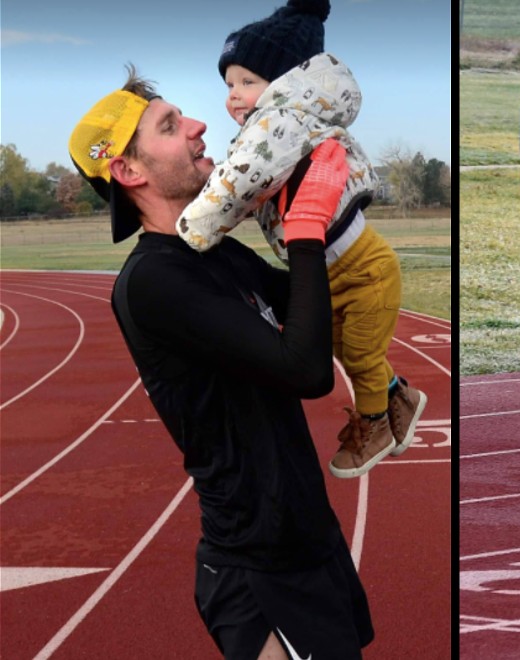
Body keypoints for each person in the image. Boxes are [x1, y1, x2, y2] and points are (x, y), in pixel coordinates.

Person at [72, 66, 374, 658]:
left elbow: (319, 303)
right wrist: (306, 228)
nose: (198, 125)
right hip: (255, 568)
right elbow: (306, 369)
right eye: (169, 125)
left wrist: (307, 180)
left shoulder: (216, 252)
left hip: (306, 538)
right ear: (129, 171)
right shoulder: (153, 280)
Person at [176, 0, 427, 479]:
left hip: (363, 266)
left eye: (248, 82)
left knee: (358, 353)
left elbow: (238, 185)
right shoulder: (272, 125)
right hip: (333, 269)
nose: (233, 95)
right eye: (228, 84)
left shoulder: (281, 124)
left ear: (286, 81)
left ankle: (375, 423)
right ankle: (398, 393)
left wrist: (191, 228)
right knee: (336, 342)